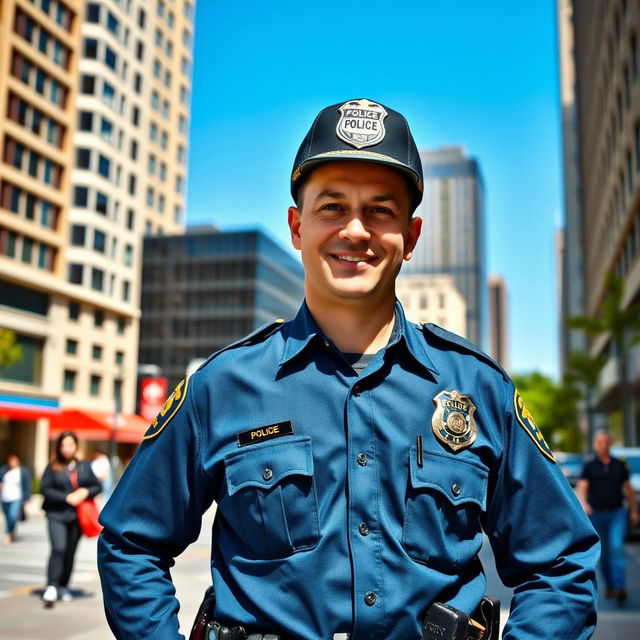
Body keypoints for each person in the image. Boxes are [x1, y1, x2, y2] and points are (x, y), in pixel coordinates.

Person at [98, 98, 599, 640]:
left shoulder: (478, 390)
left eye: (381, 210)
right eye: (331, 207)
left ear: (411, 237)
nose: (355, 230)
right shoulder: (221, 387)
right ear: (297, 226)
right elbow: (132, 543)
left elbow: (561, 564)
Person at [577, 429, 639, 603]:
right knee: (603, 554)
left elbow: (629, 491)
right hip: (596, 514)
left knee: (617, 548)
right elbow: (582, 487)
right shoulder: (589, 464)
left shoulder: (619, 465)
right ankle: (610, 584)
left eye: (606, 442)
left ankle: (620, 587)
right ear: (596, 444)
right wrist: (584, 504)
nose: (603, 445)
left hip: (617, 513)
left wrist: (634, 511)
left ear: (610, 444)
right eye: (600, 442)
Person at [40, 431, 101, 604]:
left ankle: (63, 586)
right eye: (63, 445)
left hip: (77, 517)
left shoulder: (84, 466)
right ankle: (52, 585)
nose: (67, 449)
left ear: (76, 446)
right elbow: (45, 489)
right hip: (56, 514)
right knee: (58, 548)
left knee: (70, 552)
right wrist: (66, 497)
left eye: (70, 445)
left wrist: (85, 491)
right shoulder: (52, 466)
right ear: (59, 447)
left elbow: (96, 486)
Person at [0, 453, 32, 544]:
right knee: (8, 517)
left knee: (13, 516)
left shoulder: (23, 471)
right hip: (5, 497)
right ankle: (12, 531)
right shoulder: (4, 470)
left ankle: (8, 534)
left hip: (16, 497)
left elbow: (27, 485)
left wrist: (27, 498)